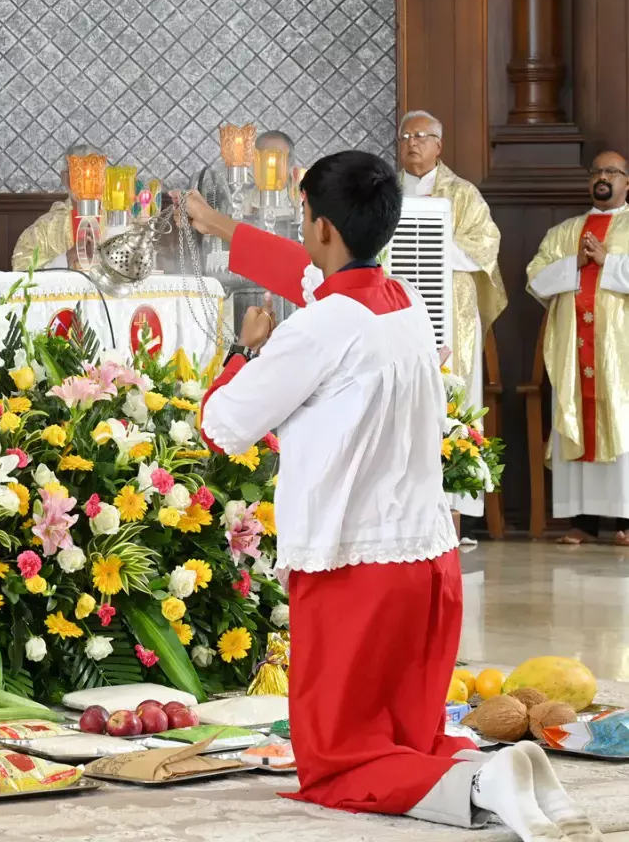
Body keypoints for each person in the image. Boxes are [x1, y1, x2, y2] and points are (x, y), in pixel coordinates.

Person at [187, 151, 594, 841]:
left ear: (318, 226)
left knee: (337, 766)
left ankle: (485, 780)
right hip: (428, 572)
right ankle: (506, 777)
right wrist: (226, 229)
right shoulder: (405, 302)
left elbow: (222, 426)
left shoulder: (313, 330)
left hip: (355, 574)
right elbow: (313, 275)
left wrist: (244, 348)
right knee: (405, 740)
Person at [398, 110, 506, 535]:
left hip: (450, 316)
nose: (412, 142)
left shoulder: (462, 195)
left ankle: (451, 518)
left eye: (422, 135)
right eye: (406, 135)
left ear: (439, 145)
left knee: (451, 403)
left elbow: (484, 247)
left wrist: (427, 240)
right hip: (398, 310)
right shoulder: (383, 193)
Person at [527, 150, 629, 547]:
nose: (603, 177)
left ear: (626, 182)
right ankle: (583, 522)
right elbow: (535, 279)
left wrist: (609, 263)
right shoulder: (565, 232)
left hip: (620, 354)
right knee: (577, 420)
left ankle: (625, 520)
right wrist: (575, 264)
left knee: (622, 424)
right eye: (597, 171)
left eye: (612, 172)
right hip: (574, 349)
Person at [10, 142, 96, 271]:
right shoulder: (44, 228)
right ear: (65, 178)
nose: (86, 181)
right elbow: (22, 267)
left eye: (93, 174)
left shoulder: (118, 223)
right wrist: (67, 257)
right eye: (78, 173)